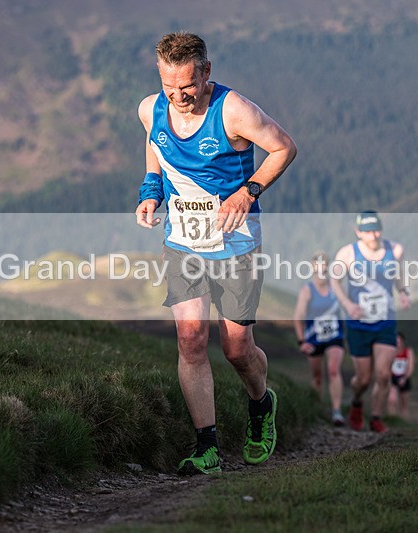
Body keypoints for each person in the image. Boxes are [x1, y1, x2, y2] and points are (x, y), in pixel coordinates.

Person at [135, 32, 297, 475]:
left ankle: (262, 406)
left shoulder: (233, 110)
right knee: (190, 339)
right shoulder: (152, 108)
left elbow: (284, 147)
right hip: (182, 241)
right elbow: (155, 144)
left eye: (187, 86)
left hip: (236, 242)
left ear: (206, 73)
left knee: (236, 348)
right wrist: (151, 191)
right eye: (170, 87)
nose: (179, 96)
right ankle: (206, 447)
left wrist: (249, 192)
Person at [330, 211, 411, 434]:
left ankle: (376, 417)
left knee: (384, 374)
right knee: (363, 379)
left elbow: (398, 275)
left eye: (376, 230)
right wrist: (347, 304)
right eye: (367, 231)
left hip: (385, 322)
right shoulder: (347, 254)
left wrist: (403, 292)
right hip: (358, 324)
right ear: (358, 232)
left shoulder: (395, 250)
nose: (373, 235)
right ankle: (356, 403)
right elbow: (335, 281)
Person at [294, 251, 346, 426]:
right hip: (314, 339)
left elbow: (347, 306)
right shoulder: (307, 290)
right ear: (313, 269)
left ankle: (337, 411)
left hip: (334, 336)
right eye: (318, 270)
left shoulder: (336, 287)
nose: (322, 273)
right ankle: (316, 410)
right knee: (317, 376)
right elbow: (298, 317)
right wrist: (302, 341)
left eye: (325, 269)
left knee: (333, 370)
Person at [387, 331, 414, 418]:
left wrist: (405, 378)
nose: (397, 344)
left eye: (399, 341)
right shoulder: (391, 351)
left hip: (404, 377)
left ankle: (404, 420)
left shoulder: (408, 351)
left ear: (402, 341)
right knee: (392, 400)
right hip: (392, 377)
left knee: (404, 403)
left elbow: (410, 366)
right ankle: (391, 418)